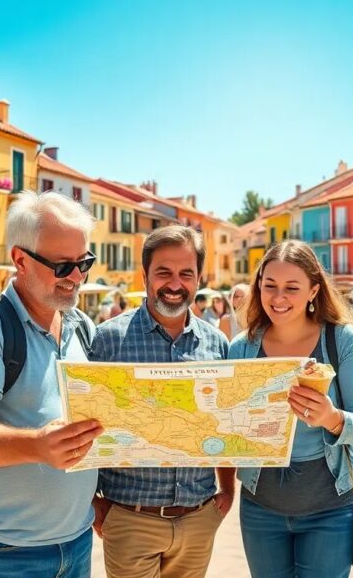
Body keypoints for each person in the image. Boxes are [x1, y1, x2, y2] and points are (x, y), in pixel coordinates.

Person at [0, 191, 104, 578]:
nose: (78, 277)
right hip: (3, 550)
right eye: (64, 266)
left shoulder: (82, 326)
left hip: (77, 539)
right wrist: (36, 446)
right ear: (20, 260)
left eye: (84, 262)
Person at [91, 225, 232, 578]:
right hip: (129, 517)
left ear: (199, 278)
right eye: (163, 273)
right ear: (145, 276)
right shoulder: (107, 341)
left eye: (186, 273)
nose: (174, 284)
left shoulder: (217, 344)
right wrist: (93, 499)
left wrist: (227, 490)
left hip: (199, 517)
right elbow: (85, 422)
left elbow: (227, 423)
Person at [229, 240, 353, 578]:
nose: (278, 298)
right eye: (270, 286)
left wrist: (332, 418)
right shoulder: (242, 347)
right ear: (258, 286)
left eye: (291, 288)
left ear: (313, 290)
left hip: (330, 509)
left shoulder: (341, 340)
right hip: (259, 507)